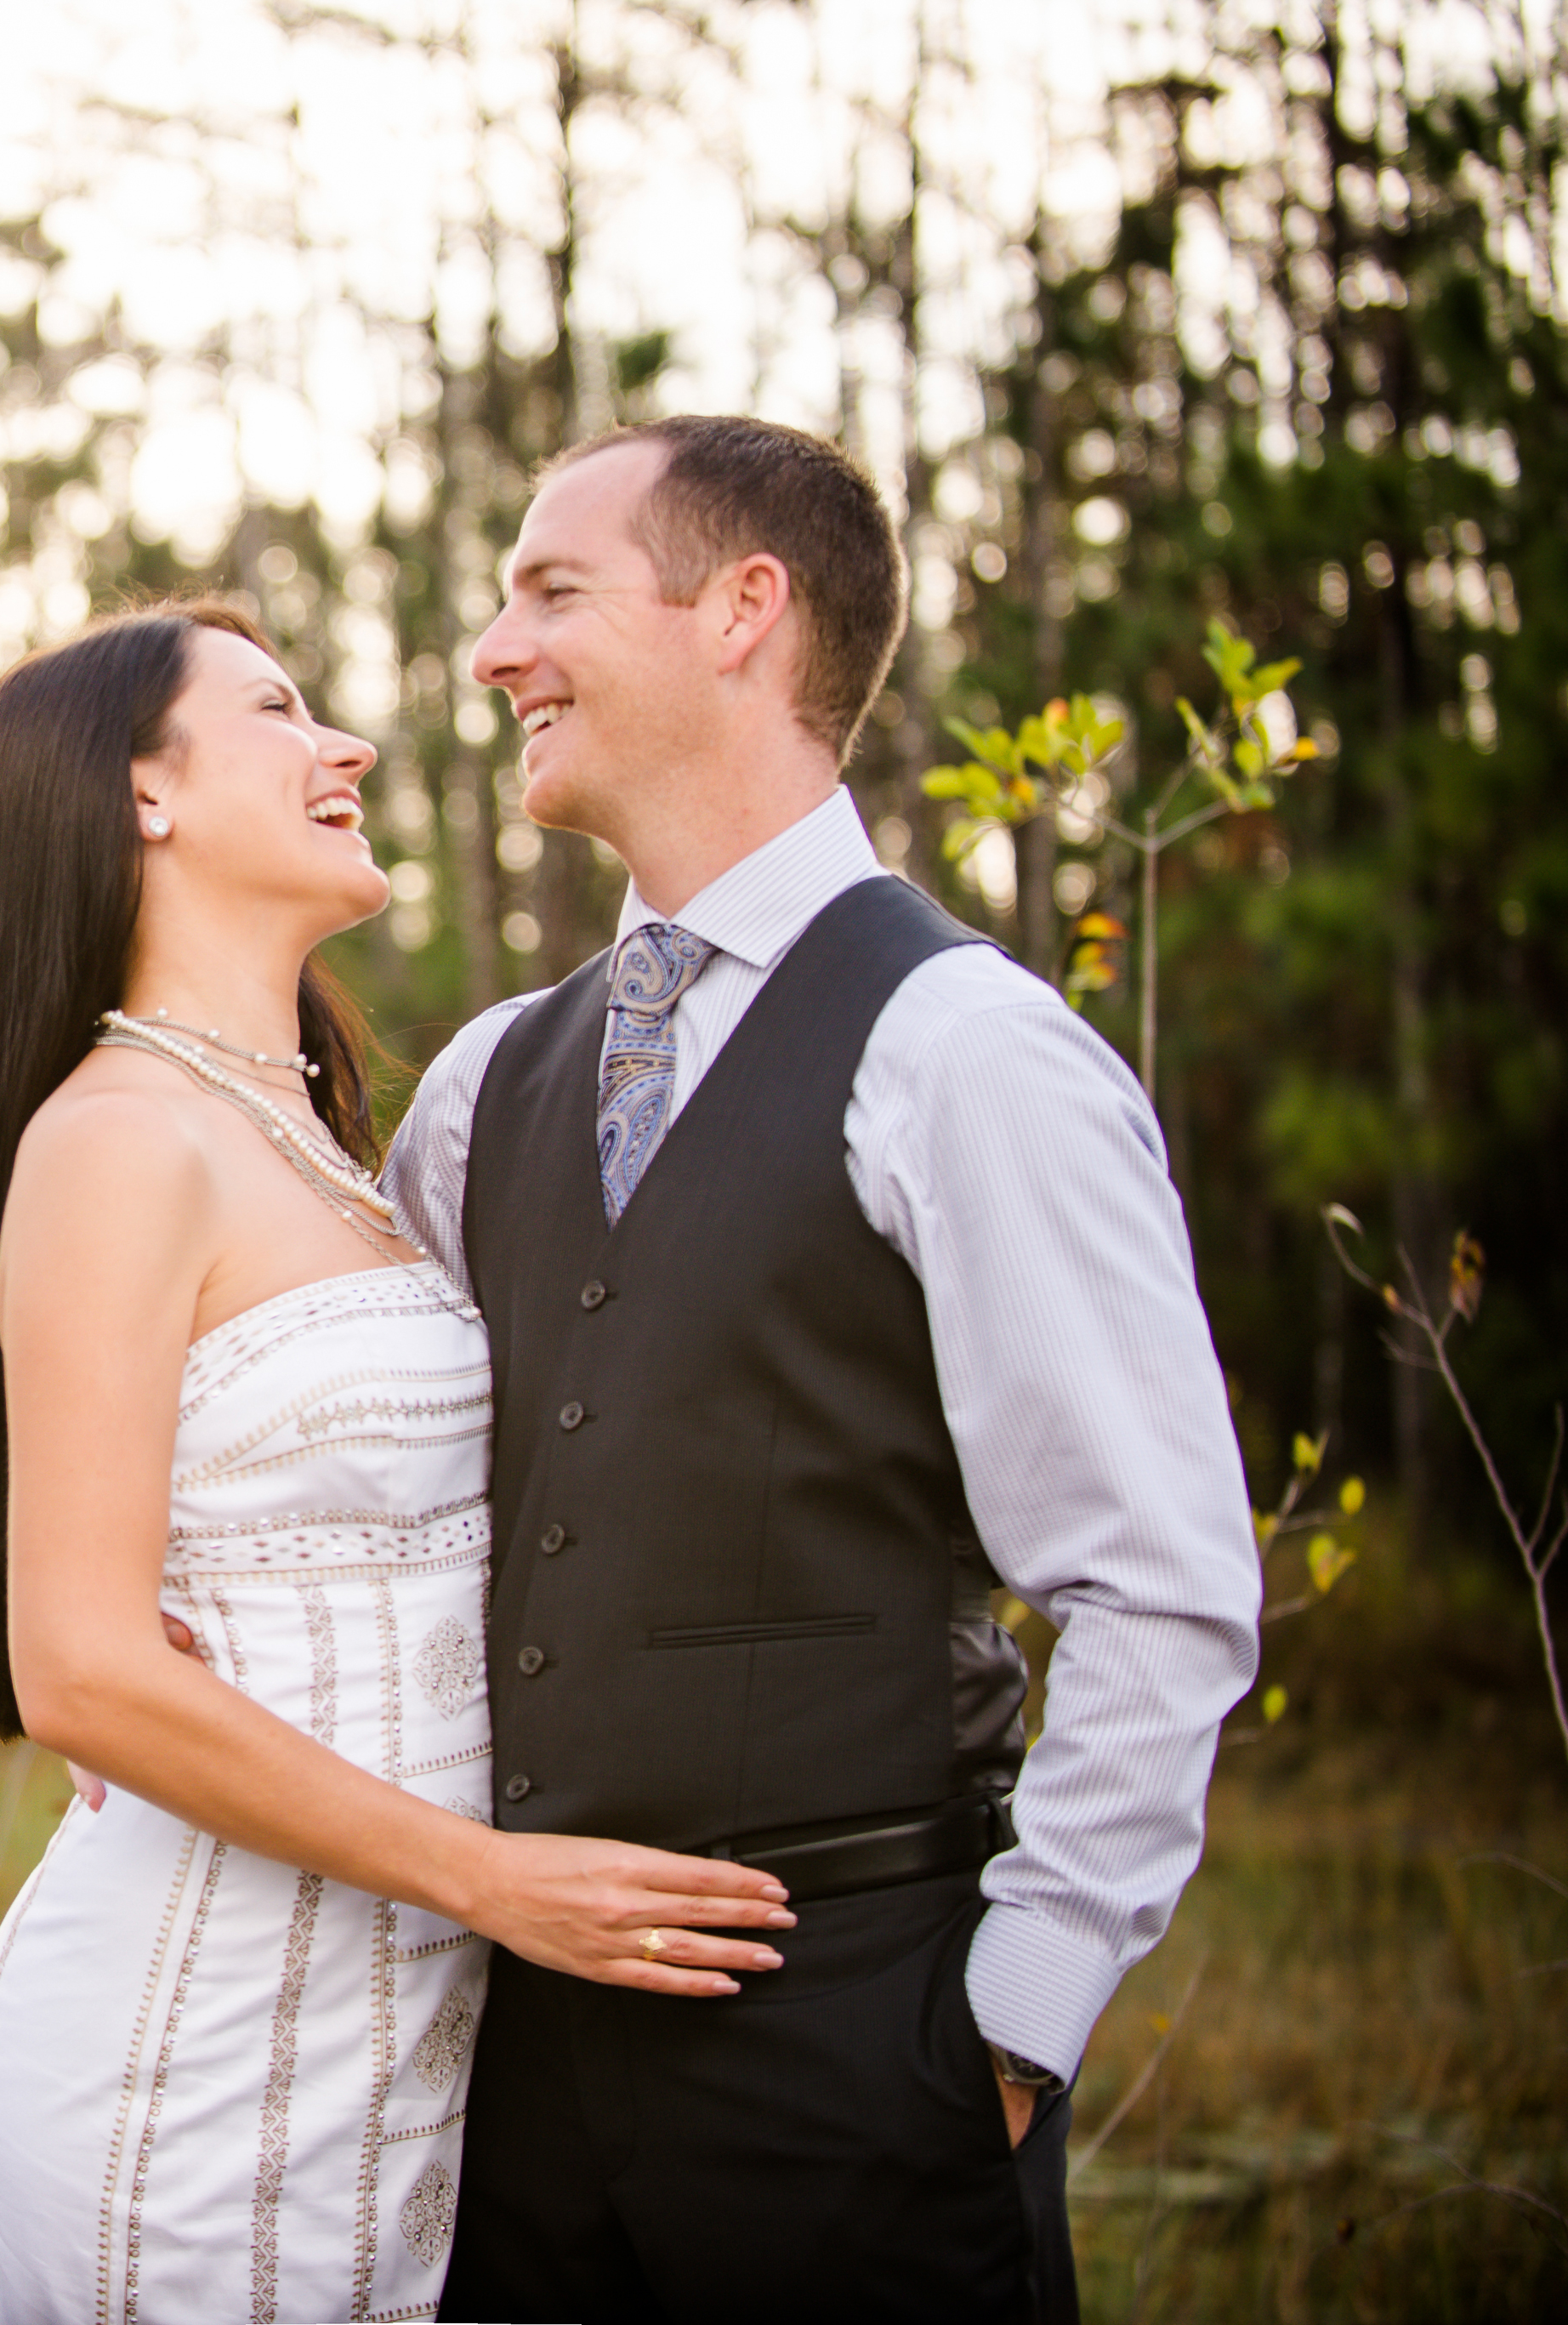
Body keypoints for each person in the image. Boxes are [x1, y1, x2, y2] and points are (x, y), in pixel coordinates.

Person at [397, 414, 1263, 2323]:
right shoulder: (480, 1088)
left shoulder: (968, 1054)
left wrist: (1006, 2029)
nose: (491, 649)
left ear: (741, 611)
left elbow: (1158, 1580)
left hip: (858, 2062)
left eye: (550, 589)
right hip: (510, 2080)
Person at [0, 597, 798, 2325]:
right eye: (278, 710)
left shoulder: (330, 1149)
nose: (349, 748)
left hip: (390, 2044)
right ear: (140, 793)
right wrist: (496, 1879)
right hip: (194, 2035)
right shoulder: (112, 1139)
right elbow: (75, 1666)